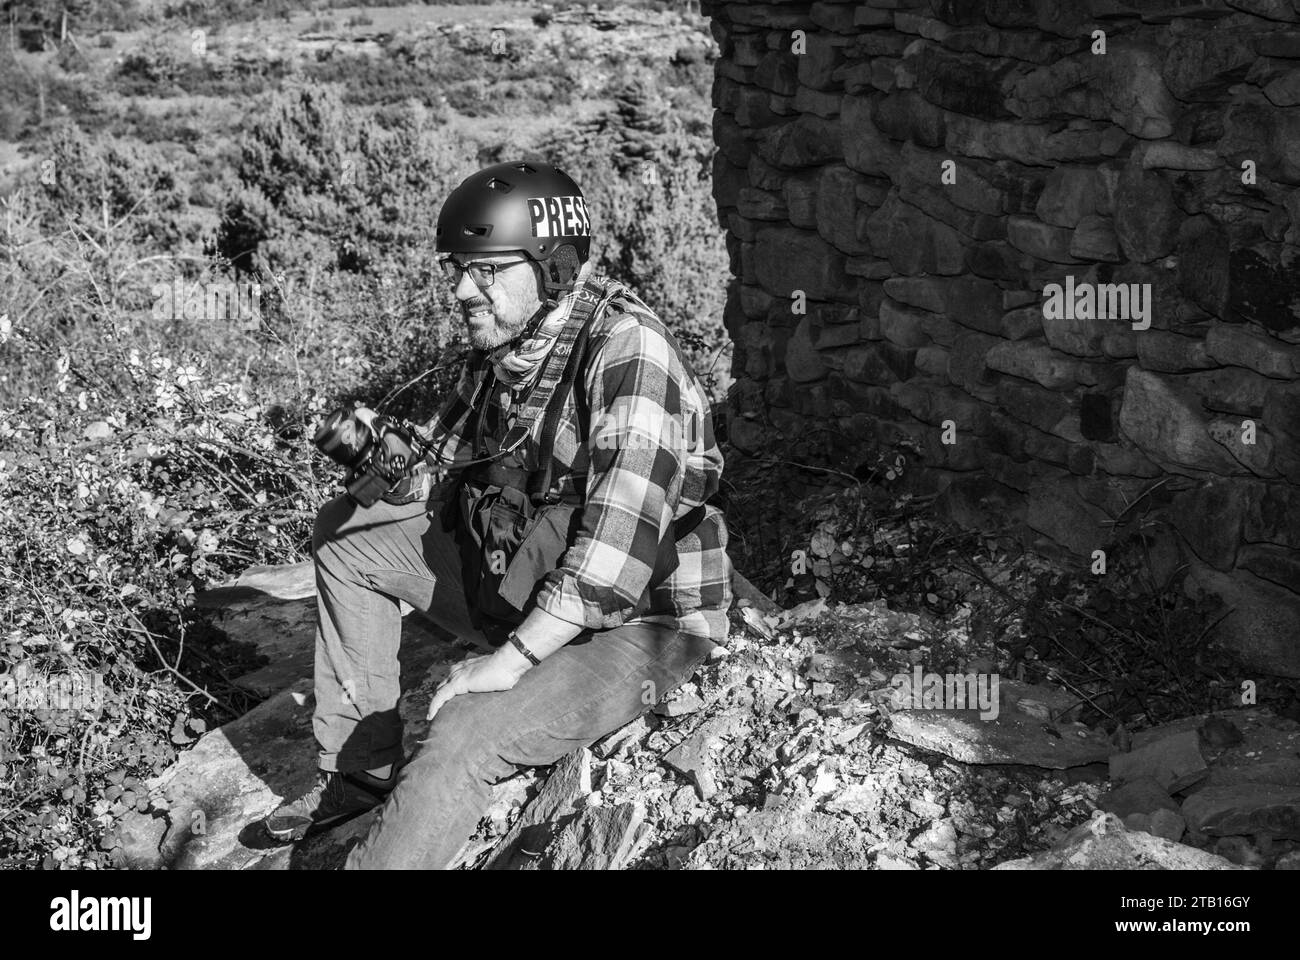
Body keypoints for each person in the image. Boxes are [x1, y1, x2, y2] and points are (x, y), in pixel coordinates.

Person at [262, 160, 732, 868]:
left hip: (641, 623)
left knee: (461, 732)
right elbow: (434, 478)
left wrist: (505, 664)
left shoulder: (630, 354)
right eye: (458, 267)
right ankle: (362, 769)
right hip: (522, 578)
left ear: (552, 266)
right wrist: (369, 453)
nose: (461, 289)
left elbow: (612, 561)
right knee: (345, 535)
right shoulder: (508, 347)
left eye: (484, 270)